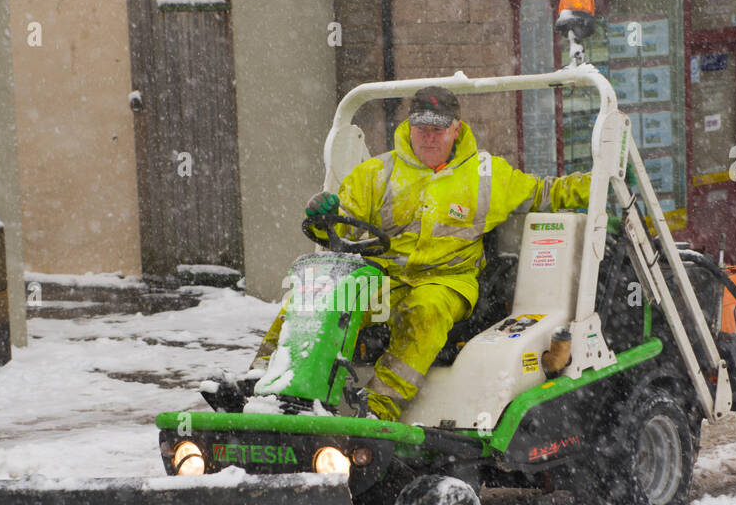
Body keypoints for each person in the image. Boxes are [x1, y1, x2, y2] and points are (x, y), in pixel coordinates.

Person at [247, 86, 591, 421]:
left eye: (438, 129)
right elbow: (341, 229)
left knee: (424, 311)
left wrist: (600, 179)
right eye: (421, 128)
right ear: (408, 127)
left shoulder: (487, 177)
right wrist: (322, 216)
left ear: (456, 130)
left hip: (447, 281)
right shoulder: (375, 175)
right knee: (317, 294)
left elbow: (549, 193)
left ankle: (379, 409)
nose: (429, 137)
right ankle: (260, 384)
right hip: (383, 278)